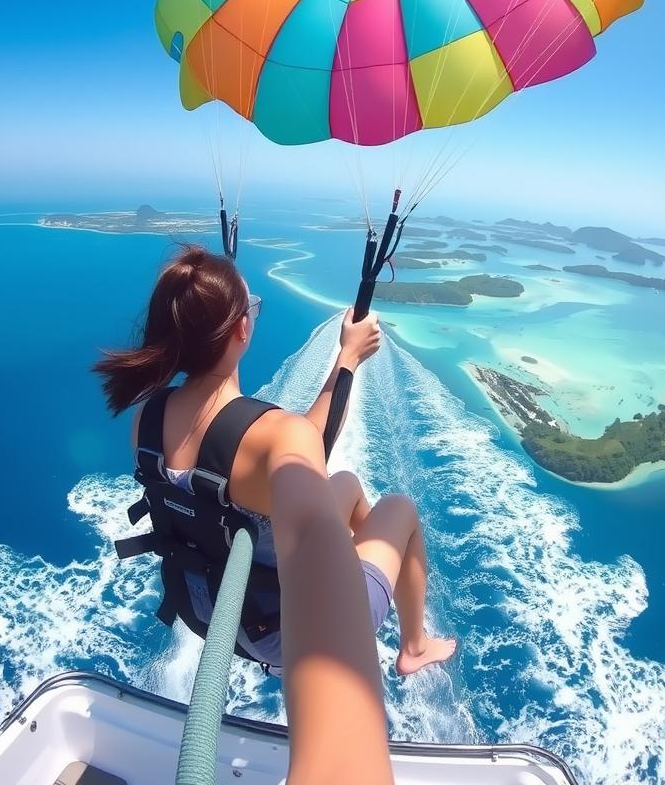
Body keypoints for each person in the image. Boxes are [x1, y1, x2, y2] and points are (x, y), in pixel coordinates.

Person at [94, 246, 455, 775]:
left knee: (348, 484)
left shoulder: (146, 422)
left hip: (208, 610)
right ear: (242, 329)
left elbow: (296, 448)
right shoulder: (275, 437)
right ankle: (413, 645)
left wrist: (345, 362)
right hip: (276, 629)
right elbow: (302, 505)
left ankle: (368, 579)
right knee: (398, 508)